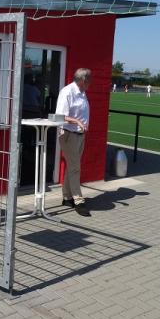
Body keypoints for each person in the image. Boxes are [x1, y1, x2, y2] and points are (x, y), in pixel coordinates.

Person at [56, 68, 92, 217]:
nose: (91, 83)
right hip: (68, 134)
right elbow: (60, 116)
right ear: (83, 80)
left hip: (79, 134)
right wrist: (77, 121)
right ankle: (78, 200)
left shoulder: (82, 92)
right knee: (75, 167)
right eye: (90, 80)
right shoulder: (67, 92)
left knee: (72, 166)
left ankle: (66, 197)